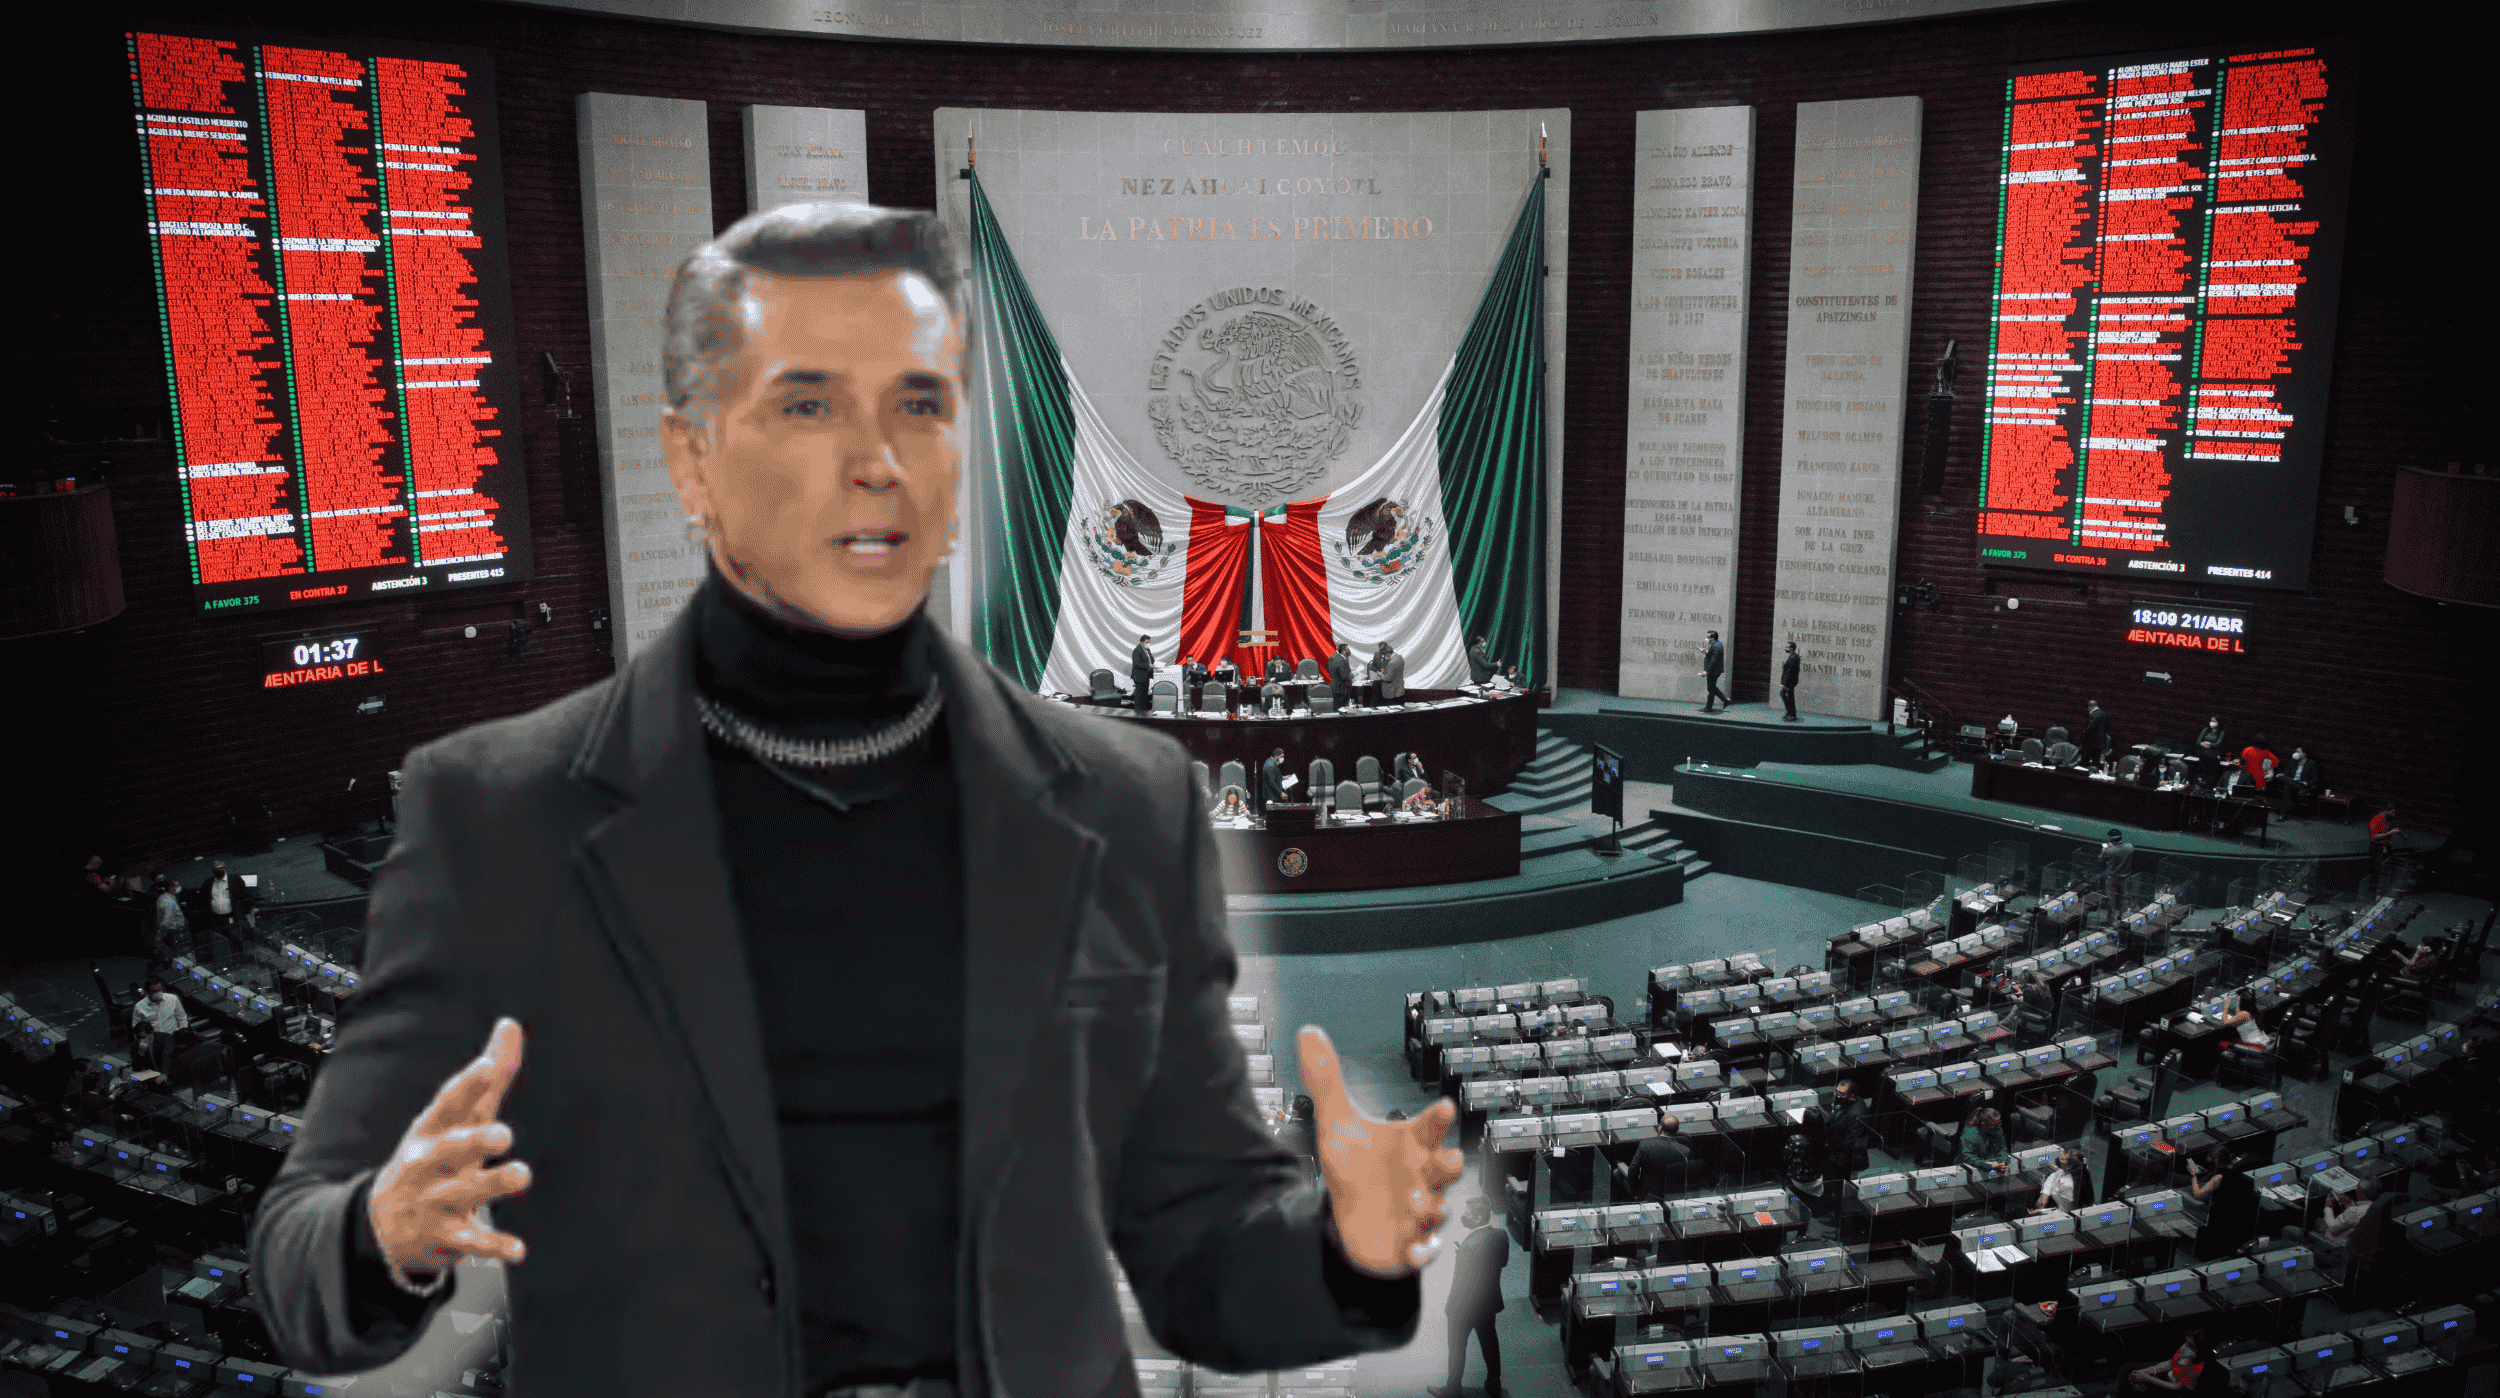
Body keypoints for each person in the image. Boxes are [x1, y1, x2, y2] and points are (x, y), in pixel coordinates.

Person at [248, 202, 1460, 1398]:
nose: (876, 461)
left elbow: (1196, 1254)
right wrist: (381, 1234)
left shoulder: (1128, 803)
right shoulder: (495, 814)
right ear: (692, 460)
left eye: (918, 405)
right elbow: (295, 1260)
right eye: (807, 405)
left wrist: (1341, 1251)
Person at [1431, 1197, 1507, 1398]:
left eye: (1467, 1213)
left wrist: (1450, 1309)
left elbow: (1461, 1283)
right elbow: (1502, 1262)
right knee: (1489, 1344)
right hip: (1488, 1304)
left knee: (1457, 1349)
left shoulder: (1469, 1248)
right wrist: (1466, 1256)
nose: (1464, 1216)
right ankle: (1494, 1384)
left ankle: (1452, 1390)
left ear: (1478, 1217)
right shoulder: (1501, 1236)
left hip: (1464, 1309)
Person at [2188, 1149, 2258, 1257]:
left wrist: (2193, 1175)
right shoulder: (2233, 1172)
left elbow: (2197, 1194)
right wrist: (2205, 1172)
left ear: (2215, 1160)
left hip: (2210, 1210)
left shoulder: (2219, 1177)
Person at [1621, 1114, 1693, 1202]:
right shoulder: (1685, 1151)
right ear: (1677, 1129)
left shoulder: (1645, 1144)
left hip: (1648, 1194)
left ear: (1659, 1128)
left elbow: (1633, 1170)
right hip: (1674, 1196)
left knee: (1617, 1173)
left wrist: (1636, 1193)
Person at [132, 975, 188, 1076]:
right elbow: (136, 1028)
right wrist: (143, 1045)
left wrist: (182, 1036)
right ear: (147, 991)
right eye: (154, 991)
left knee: (178, 1066)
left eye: (159, 990)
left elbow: (182, 1018)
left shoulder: (172, 999)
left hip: (173, 1039)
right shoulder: (139, 1007)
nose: (158, 993)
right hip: (154, 1043)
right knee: (158, 1068)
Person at [2125, 1331, 2206, 1392]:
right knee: (2130, 1369)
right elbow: (2170, 1363)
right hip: (2167, 1376)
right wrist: (2144, 1372)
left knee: (2139, 1387)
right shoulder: (2185, 1349)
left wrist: (2146, 1377)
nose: (2185, 1346)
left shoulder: (2197, 1367)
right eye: (2186, 1342)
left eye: (2190, 1345)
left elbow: (2176, 1387)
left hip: (2173, 1390)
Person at [1826, 1079, 1870, 1183]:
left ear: (1851, 1096)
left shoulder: (1856, 1114)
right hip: (1838, 1153)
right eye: (1837, 1093)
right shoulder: (1848, 1102)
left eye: (1841, 1095)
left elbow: (1851, 1144)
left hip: (1847, 1161)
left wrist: (1836, 1162)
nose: (1838, 1096)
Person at [2215, 992, 2273, 1057]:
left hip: (2256, 1048)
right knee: (2234, 1039)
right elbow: (2238, 1016)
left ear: (2242, 1003)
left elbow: (2224, 1022)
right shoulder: (2254, 1011)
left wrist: (2226, 1006)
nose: (2237, 1003)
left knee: (2221, 1044)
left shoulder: (2244, 1014)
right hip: (2264, 1044)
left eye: (2238, 1001)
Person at [2034, 1148, 2089, 1212]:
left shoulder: (2070, 1184)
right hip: (2058, 1208)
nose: (2062, 1158)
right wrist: (2045, 1194)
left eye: (2065, 1159)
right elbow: (2053, 1177)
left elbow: (2067, 1210)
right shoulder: (2063, 1172)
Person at [2098, 828, 2135, 924]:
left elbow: (2100, 860)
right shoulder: (2130, 847)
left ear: (2111, 839)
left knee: (2111, 899)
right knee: (2124, 899)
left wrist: (2104, 850)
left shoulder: (2110, 851)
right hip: (2126, 878)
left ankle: (2110, 920)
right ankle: (2123, 919)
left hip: (2112, 878)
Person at [1958, 1106, 2009, 1173]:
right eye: (1994, 1125)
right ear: (1984, 1124)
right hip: (1966, 1167)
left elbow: (2002, 1148)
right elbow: (1969, 1157)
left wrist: (2003, 1161)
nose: (1997, 1127)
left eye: (1998, 1124)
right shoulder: (1969, 1134)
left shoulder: (1997, 1129)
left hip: (1988, 1162)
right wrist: (1989, 1167)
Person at [151, 875, 186, 964]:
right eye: (177, 885)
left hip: (173, 931)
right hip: (172, 933)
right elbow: (166, 920)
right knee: (176, 956)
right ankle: (178, 969)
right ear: (171, 887)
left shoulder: (166, 897)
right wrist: (161, 933)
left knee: (175, 955)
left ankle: (177, 968)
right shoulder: (168, 901)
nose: (179, 887)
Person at [2282, 746, 2320, 817]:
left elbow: (2315, 779)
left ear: (2304, 753)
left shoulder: (2312, 764)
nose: (2295, 753)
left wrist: (2305, 783)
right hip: (2293, 783)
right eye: (2295, 751)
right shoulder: (2293, 762)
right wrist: (2283, 775)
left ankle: (2284, 813)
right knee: (2285, 784)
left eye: (2298, 752)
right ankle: (2285, 813)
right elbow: (2286, 773)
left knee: (2287, 787)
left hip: (2302, 785)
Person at [2191, 717, 2227, 787]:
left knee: (2210, 776)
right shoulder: (2206, 729)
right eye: (2211, 721)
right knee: (2200, 774)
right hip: (2202, 755)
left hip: (2213, 757)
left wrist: (2208, 744)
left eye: (2214, 721)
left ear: (2219, 722)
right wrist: (2202, 744)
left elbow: (2218, 744)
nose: (2212, 722)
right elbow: (2198, 741)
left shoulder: (2221, 732)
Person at [1700, 630, 1727, 713]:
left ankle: (1709, 707)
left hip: (1713, 671)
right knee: (1712, 688)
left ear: (1713, 638)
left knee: (1711, 689)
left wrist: (1707, 671)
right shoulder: (1717, 644)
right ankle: (1725, 700)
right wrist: (1706, 652)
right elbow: (1714, 655)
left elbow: (1713, 660)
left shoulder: (1715, 646)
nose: (1707, 638)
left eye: (1708, 637)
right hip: (1715, 670)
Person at [1260, 746, 1291, 816]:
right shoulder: (1271, 765)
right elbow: (1271, 782)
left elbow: (1274, 776)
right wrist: (1281, 793)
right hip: (1271, 796)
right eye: (1281, 756)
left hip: (1273, 795)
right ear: (1276, 756)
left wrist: (1284, 777)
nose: (1282, 758)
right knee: (1273, 816)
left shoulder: (1271, 761)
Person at [1130, 633, 1156, 713]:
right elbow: (1137, 663)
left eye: (1149, 642)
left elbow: (1151, 659)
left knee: (1144, 695)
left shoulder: (1147, 650)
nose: (1148, 644)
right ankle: (1137, 712)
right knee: (1139, 696)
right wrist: (1149, 665)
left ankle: (1144, 712)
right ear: (1142, 642)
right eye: (1146, 642)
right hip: (1139, 676)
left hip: (1146, 676)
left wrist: (1155, 663)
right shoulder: (1137, 650)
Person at [1328, 641, 1355, 711]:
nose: (1348, 650)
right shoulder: (1341, 660)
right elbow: (1344, 676)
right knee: (1342, 709)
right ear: (1343, 650)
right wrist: (1352, 676)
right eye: (1347, 649)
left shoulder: (1333, 657)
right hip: (1342, 688)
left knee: (1336, 708)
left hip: (1335, 686)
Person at [1779, 640, 1801, 721]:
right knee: (1787, 696)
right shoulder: (1793, 657)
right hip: (1790, 681)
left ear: (1791, 648)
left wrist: (1785, 683)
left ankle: (1792, 714)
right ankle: (1790, 713)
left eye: (1787, 647)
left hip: (1790, 682)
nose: (1786, 648)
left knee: (1787, 696)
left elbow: (1790, 671)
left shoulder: (1793, 657)